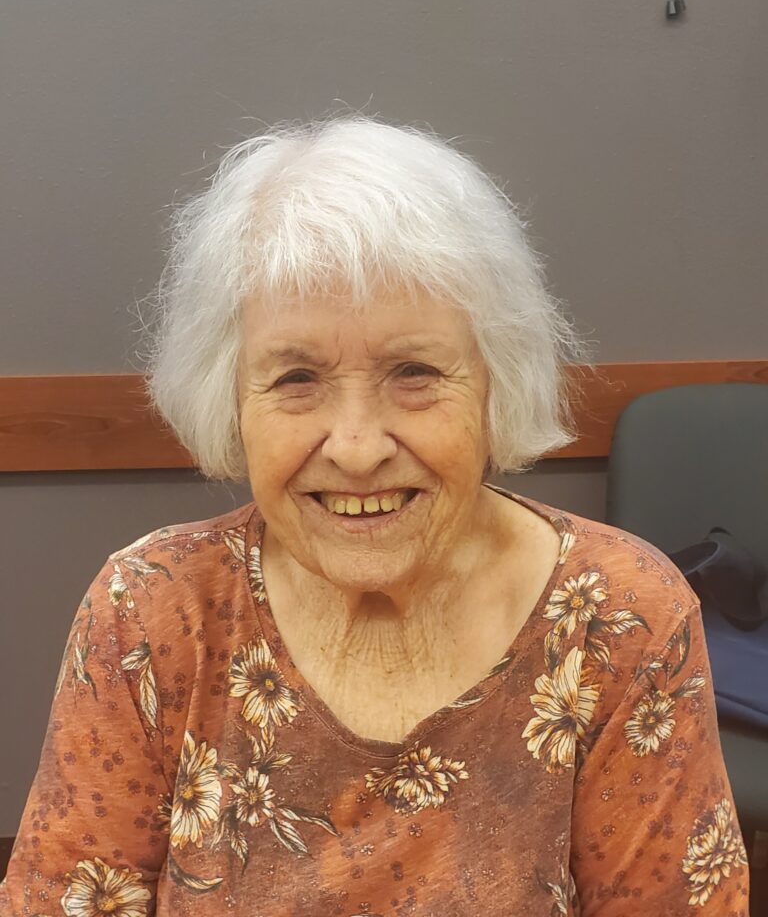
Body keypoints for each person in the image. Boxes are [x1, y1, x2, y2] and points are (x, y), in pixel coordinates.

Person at [0, 116, 749, 916]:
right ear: (231, 397)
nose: (356, 449)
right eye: (296, 378)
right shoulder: (150, 610)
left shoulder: (623, 620)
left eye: (414, 371)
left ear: (495, 382)